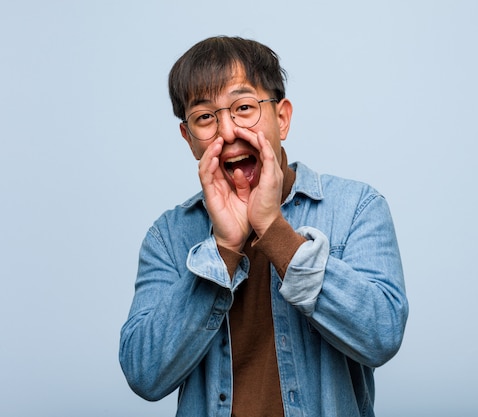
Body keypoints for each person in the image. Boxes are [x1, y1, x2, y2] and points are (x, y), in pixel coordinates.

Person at [119, 36, 409, 417]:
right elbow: (144, 374)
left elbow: (381, 336)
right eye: (205, 117)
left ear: (282, 118)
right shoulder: (168, 236)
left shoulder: (357, 208)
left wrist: (273, 230)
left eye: (243, 107)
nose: (227, 133)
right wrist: (223, 249)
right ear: (188, 138)